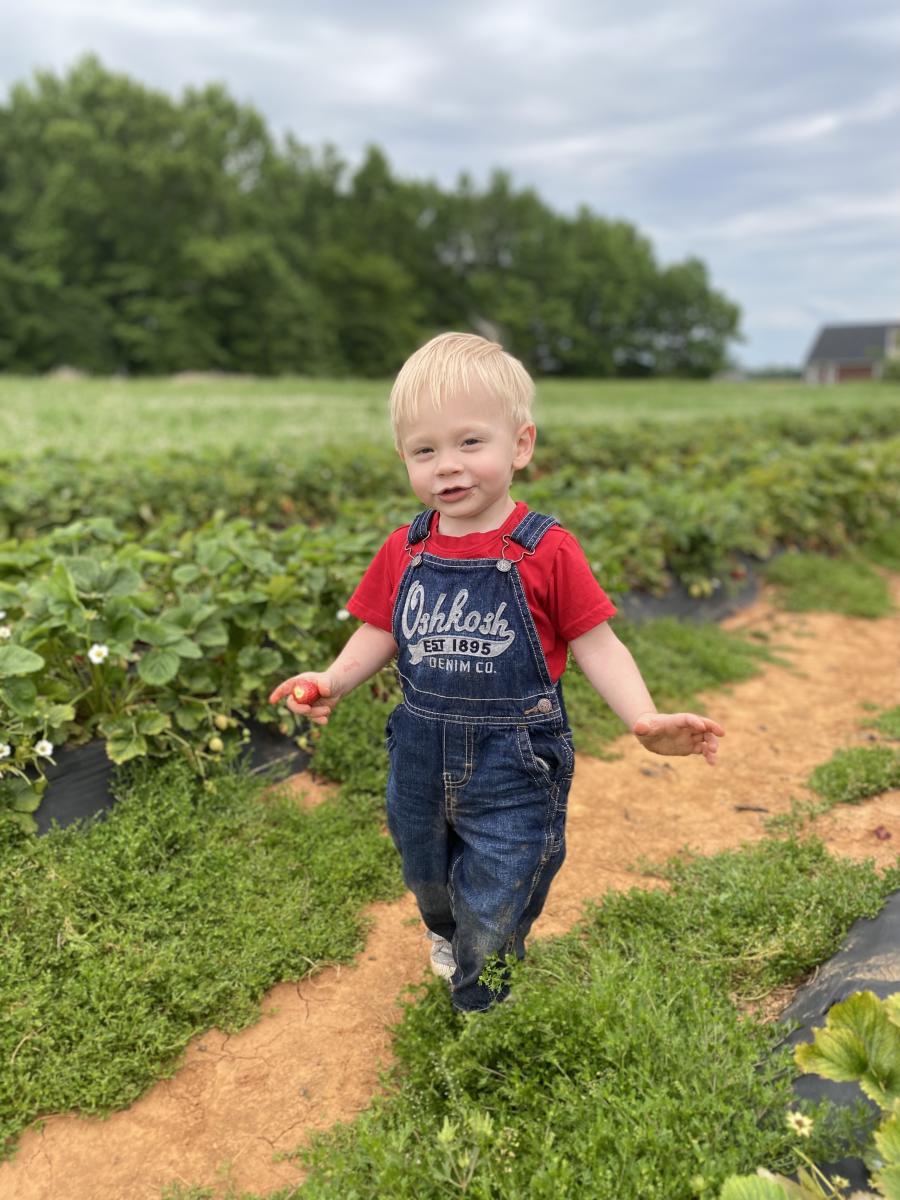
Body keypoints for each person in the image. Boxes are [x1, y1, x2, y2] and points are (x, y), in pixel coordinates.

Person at [270, 332, 725, 1014]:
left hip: (514, 763)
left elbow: (598, 645)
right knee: (426, 874)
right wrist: (334, 678)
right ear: (405, 459)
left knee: (503, 881)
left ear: (520, 445)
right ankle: (448, 932)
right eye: (425, 451)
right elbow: (382, 626)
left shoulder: (547, 549)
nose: (447, 467)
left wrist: (643, 718)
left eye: (469, 443)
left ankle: (485, 997)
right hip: (418, 758)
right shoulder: (406, 546)